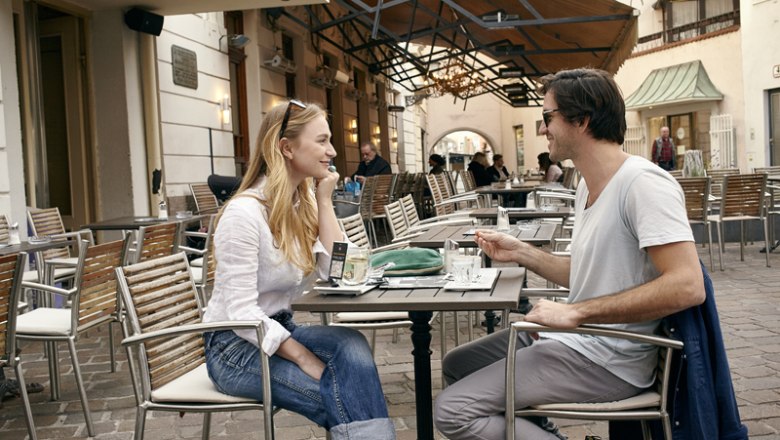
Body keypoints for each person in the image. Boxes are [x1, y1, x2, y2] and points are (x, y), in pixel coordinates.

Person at [434, 68, 705, 440]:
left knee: (453, 412)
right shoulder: (587, 187)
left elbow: (688, 286)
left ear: (581, 120)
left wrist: (576, 312)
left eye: (547, 117)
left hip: (607, 357)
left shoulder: (643, 184)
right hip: (576, 339)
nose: (542, 129)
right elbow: (591, 272)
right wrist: (522, 252)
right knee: (457, 364)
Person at [203, 100, 395, 439]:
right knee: (342, 396)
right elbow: (242, 313)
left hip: (280, 330)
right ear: (286, 148)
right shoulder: (243, 215)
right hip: (234, 348)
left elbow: (342, 270)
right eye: (321, 141)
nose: (332, 151)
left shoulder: (298, 203)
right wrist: (304, 358)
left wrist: (323, 202)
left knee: (351, 344)